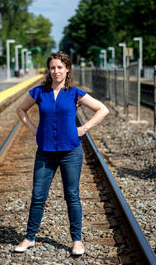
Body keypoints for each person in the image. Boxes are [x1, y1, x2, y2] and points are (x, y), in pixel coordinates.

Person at [15, 51, 109, 255]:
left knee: (72, 195)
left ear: (67, 69)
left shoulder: (75, 93)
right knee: (38, 196)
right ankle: (30, 237)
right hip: (45, 153)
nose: (56, 71)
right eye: (52, 67)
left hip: (71, 152)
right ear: (49, 70)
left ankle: (77, 241)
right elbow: (20, 110)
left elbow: (102, 109)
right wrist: (34, 129)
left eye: (60, 67)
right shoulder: (39, 92)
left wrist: (84, 128)